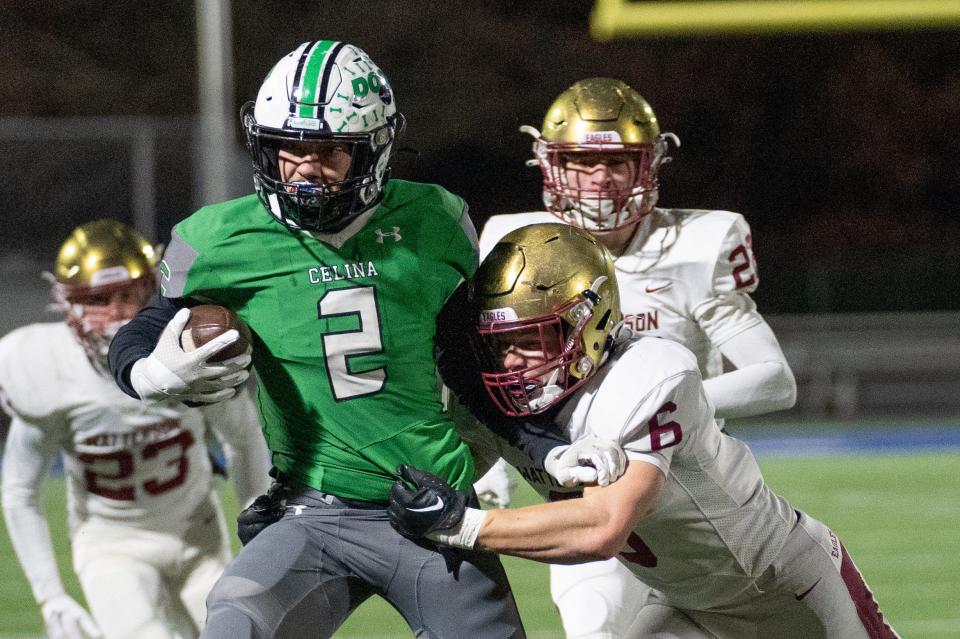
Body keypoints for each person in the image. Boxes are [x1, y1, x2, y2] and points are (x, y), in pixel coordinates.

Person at [107, 41, 621, 639]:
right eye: (287, 149)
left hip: (434, 507)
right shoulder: (218, 238)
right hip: (313, 510)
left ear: (375, 148)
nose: (303, 167)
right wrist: (145, 373)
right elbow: (144, 325)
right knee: (234, 625)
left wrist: (544, 447)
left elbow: (471, 368)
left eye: (327, 151)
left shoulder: (434, 219)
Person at [389, 223, 899, 639]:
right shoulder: (494, 400)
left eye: (532, 339)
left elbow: (602, 528)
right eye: (499, 343)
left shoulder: (649, 373)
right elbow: (447, 473)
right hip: (684, 600)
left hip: (781, 587)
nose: (512, 360)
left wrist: (466, 525)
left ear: (590, 323)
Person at [474, 77, 798, 637]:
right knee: (595, 627)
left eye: (619, 161)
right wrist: (493, 461)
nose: (601, 178)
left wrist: (646, 415)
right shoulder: (516, 246)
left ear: (648, 166)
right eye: (582, 162)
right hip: (578, 484)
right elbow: (501, 375)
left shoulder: (700, 245)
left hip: (688, 488)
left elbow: (775, 381)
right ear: (551, 167)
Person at [0, 219, 271, 639]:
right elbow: (20, 490)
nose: (116, 313)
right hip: (112, 547)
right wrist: (49, 595)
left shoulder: (186, 352)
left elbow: (245, 437)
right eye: (98, 299)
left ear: (153, 290)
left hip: (198, 533)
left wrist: (260, 524)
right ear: (68, 305)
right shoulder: (44, 369)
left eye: (129, 295)